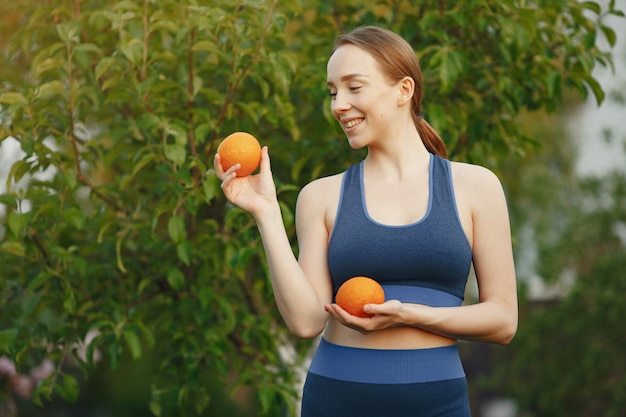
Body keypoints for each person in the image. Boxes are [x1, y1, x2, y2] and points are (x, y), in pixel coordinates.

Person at [214, 25, 517, 417]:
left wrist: (406, 314)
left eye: (354, 88)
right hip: (336, 400)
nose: (339, 104)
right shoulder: (319, 196)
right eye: (333, 92)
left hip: (436, 404)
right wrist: (266, 212)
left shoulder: (476, 186)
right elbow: (306, 321)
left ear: (404, 90)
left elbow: (503, 320)